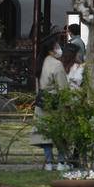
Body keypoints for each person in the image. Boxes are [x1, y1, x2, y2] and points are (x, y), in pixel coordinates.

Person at [29, 35, 69, 171]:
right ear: (51, 50)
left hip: (42, 102)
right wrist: (69, 103)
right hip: (56, 103)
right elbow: (63, 87)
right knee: (60, 134)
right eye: (57, 47)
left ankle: (48, 162)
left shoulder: (42, 61)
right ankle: (61, 162)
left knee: (45, 135)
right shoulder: (57, 65)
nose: (59, 49)